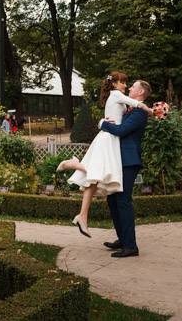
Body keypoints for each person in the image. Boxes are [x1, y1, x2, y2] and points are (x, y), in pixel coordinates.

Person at [56, 72, 152, 244]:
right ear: (114, 84)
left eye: (132, 86)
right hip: (114, 150)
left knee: (122, 201)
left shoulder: (138, 111)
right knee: (113, 199)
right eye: (124, 83)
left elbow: (121, 130)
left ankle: (130, 245)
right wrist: (105, 122)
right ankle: (122, 239)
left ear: (140, 93)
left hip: (128, 160)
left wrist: (103, 123)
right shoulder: (123, 101)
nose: (129, 87)